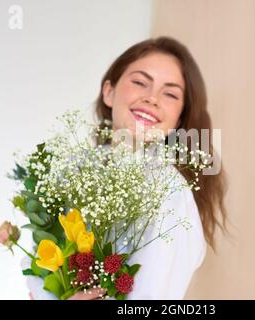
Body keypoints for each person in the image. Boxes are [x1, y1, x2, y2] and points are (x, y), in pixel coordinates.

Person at [25, 36, 228, 300]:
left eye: (170, 94)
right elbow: (37, 271)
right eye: (140, 82)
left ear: (178, 119)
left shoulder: (170, 192)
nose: (152, 98)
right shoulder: (73, 170)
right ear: (109, 92)